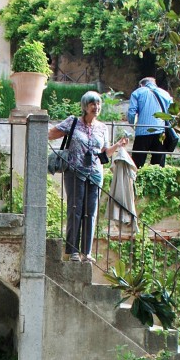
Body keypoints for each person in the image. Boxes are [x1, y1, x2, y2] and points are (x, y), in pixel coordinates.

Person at [48, 92, 128, 262]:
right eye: (92, 104)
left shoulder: (102, 128)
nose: (96, 107)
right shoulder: (73, 122)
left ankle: (86, 252)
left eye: (98, 104)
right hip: (75, 171)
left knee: (90, 212)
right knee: (75, 210)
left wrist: (118, 145)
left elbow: (104, 154)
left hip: (95, 174)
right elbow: (50, 134)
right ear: (85, 106)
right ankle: (73, 251)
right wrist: (32, 127)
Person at [126, 77, 173, 169]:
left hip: (142, 132)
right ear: (155, 84)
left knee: (137, 164)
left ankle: (137, 177)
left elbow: (131, 113)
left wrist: (134, 126)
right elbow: (171, 114)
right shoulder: (165, 94)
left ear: (141, 85)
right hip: (161, 133)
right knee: (158, 166)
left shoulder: (137, 92)